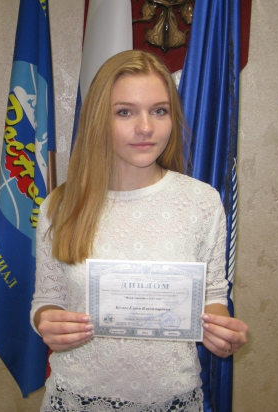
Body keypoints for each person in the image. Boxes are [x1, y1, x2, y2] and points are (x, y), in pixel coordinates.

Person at [30, 50, 248, 412]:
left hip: (172, 399)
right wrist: (45, 321)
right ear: (99, 119)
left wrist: (221, 330)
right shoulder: (60, 205)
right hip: (77, 398)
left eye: (159, 111)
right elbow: (47, 297)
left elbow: (212, 294)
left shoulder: (202, 202)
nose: (145, 127)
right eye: (125, 112)